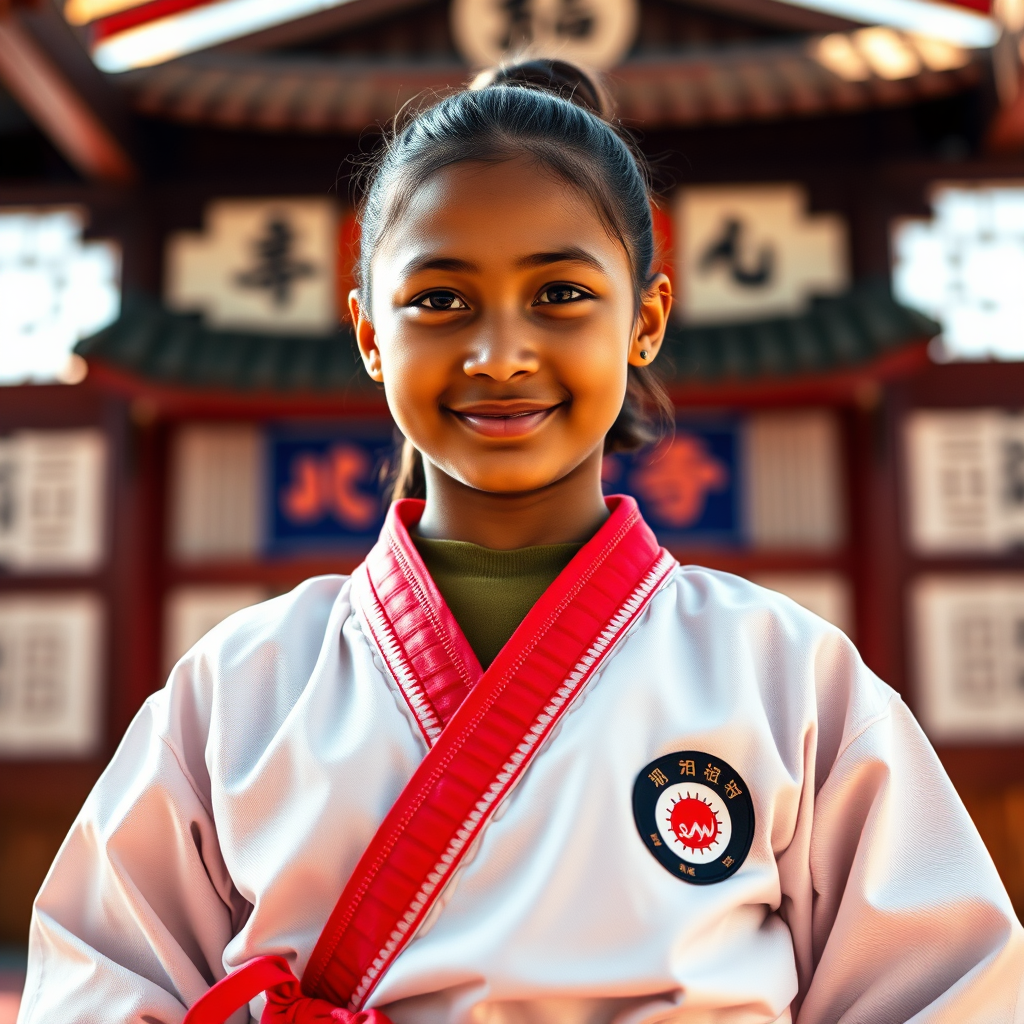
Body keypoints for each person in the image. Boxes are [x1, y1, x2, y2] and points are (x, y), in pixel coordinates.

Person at [18, 60, 1023, 1024]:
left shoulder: (787, 682)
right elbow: (102, 984)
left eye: (559, 294)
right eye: (440, 299)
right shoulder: (239, 689)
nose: (500, 352)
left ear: (646, 319)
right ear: (370, 334)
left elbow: (946, 993)